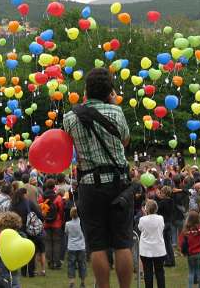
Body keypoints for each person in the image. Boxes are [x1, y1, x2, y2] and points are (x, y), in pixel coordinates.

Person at [63, 68, 133, 288]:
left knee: (97, 245)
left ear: (86, 91)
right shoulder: (117, 112)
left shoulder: (70, 117)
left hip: (90, 186)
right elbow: (125, 142)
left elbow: (68, 148)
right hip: (119, 183)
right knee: (122, 242)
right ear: (110, 91)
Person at [10, 187, 45, 278]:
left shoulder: (13, 204)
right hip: (29, 229)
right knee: (31, 250)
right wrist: (41, 220)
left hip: (18, 230)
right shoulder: (29, 203)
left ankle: (23, 271)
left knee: (21, 251)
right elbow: (38, 213)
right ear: (24, 194)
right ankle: (31, 271)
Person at [138, 199, 166, 288]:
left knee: (148, 273)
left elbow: (140, 228)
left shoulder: (142, 219)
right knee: (160, 272)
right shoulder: (160, 218)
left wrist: (145, 214)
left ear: (146, 209)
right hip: (158, 249)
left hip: (146, 250)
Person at [179, 210, 200, 288]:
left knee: (191, 272)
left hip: (190, 253)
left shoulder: (186, 229)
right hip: (199, 253)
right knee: (199, 273)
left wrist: (182, 250)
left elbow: (181, 241)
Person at [41, 178, 64, 270]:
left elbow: (40, 209)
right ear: (54, 186)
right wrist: (62, 220)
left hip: (46, 222)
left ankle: (50, 262)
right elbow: (61, 210)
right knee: (57, 242)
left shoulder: (42, 197)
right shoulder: (58, 198)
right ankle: (57, 262)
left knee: (48, 242)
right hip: (57, 223)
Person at [65, 207, 86, 288]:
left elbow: (66, 233)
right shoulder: (82, 223)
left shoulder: (67, 224)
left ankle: (72, 282)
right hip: (81, 246)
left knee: (71, 265)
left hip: (71, 247)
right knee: (82, 264)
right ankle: (82, 282)